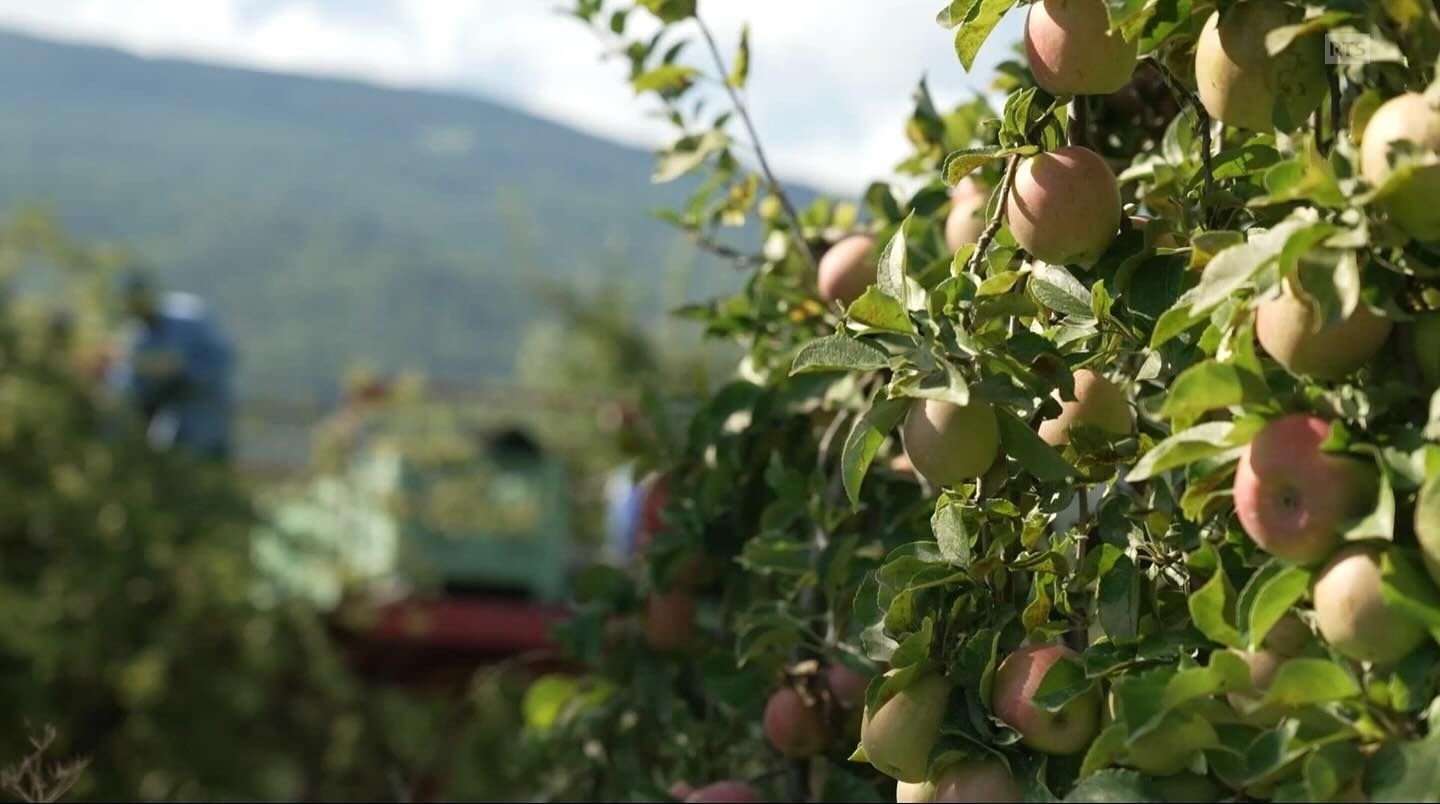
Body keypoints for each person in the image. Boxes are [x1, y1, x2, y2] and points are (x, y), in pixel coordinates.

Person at [109, 273, 236, 461]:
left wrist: (182, 369)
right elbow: (129, 382)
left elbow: (223, 358)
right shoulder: (134, 336)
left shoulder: (190, 315)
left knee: (210, 463)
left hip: (206, 410)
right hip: (169, 417)